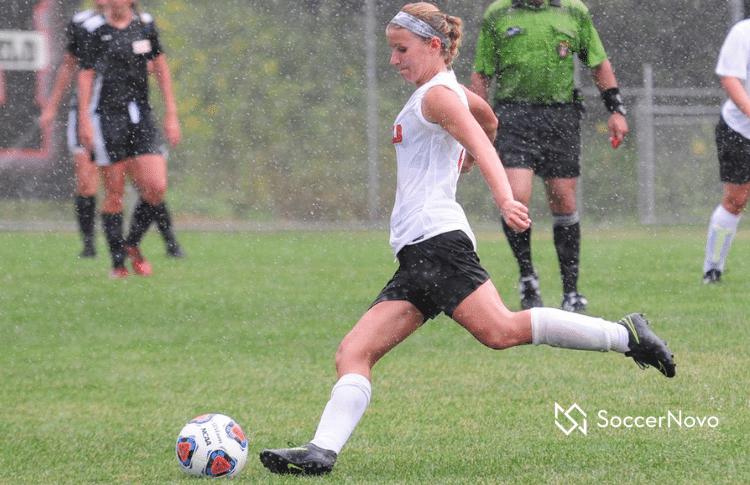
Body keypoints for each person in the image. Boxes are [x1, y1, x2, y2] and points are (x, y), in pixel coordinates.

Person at [258, 3, 674, 476]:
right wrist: (467, 160)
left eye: (402, 49)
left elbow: (479, 139)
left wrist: (501, 196)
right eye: (391, 50)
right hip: (418, 253)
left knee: (500, 328)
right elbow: (489, 121)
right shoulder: (445, 92)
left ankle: (626, 336)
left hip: (438, 244)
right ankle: (321, 451)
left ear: (434, 46)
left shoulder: (437, 96)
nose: (394, 60)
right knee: (355, 352)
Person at [470, 0, 629, 312]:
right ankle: (528, 276)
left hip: (561, 117)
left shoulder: (574, 11)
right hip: (513, 116)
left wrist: (616, 110)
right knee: (516, 198)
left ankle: (571, 290)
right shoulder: (498, 13)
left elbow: (598, 62)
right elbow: (482, 74)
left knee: (564, 201)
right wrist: (475, 125)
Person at [77, 0, 184, 278]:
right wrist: (84, 121)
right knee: (114, 192)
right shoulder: (95, 30)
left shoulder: (145, 26)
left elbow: (160, 66)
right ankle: (117, 265)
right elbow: (86, 75)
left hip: (142, 116)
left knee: (156, 186)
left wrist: (172, 113)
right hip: (108, 117)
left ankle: (131, 243)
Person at [39, 2, 108, 258]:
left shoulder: (138, 23)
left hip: (123, 114)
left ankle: (165, 242)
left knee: (137, 179)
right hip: (86, 109)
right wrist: (52, 106)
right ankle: (89, 245)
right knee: (86, 179)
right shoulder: (81, 23)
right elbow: (69, 65)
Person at [702, 18, 750, 284]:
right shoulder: (743, 32)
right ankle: (713, 269)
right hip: (738, 129)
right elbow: (730, 79)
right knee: (736, 200)